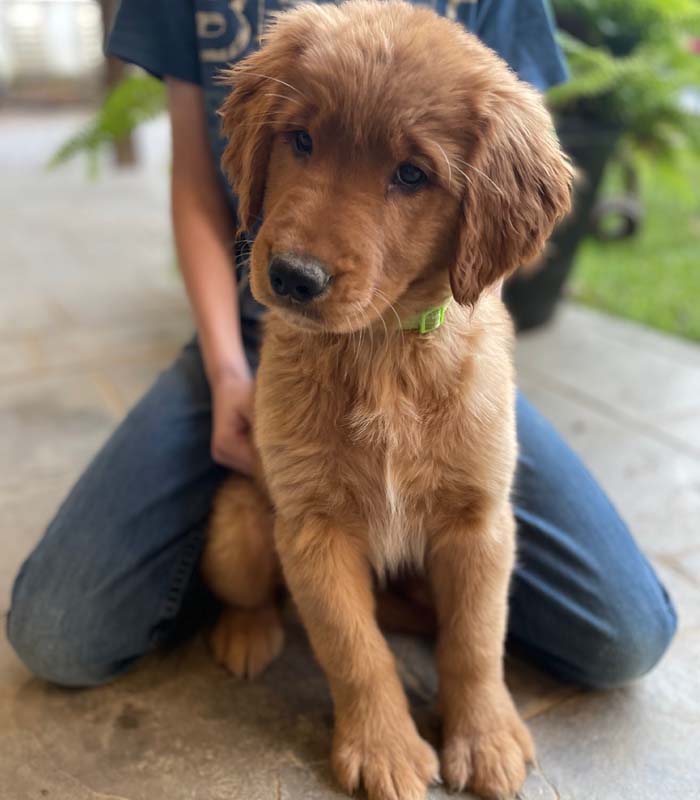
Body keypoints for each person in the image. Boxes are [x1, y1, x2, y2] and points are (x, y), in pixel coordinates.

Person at [7, 0, 676, 690]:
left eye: (411, 174)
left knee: (624, 638)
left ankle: (393, 597)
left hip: (435, 324)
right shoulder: (287, 51)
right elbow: (196, 180)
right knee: (59, 632)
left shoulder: (491, 108)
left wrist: (471, 385)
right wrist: (227, 371)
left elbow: (496, 228)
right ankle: (283, 593)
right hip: (254, 331)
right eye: (301, 140)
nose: (311, 245)